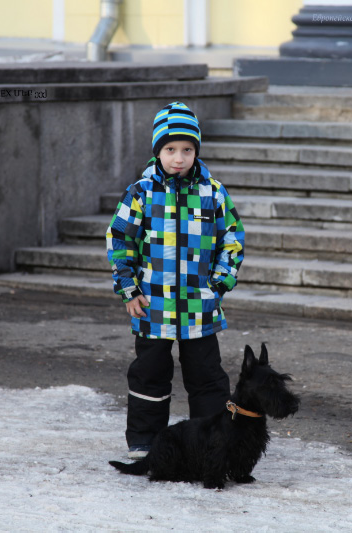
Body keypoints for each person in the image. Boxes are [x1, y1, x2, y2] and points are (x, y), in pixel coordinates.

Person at [106, 101, 245, 459]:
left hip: (200, 306)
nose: (179, 158)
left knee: (208, 377)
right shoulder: (141, 192)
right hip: (153, 304)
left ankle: (213, 441)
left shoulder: (213, 192)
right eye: (170, 150)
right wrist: (128, 289)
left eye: (187, 150)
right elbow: (120, 239)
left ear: (196, 151)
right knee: (149, 373)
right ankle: (145, 439)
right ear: (158, 151)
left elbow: (232, 240)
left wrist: (217, 285)